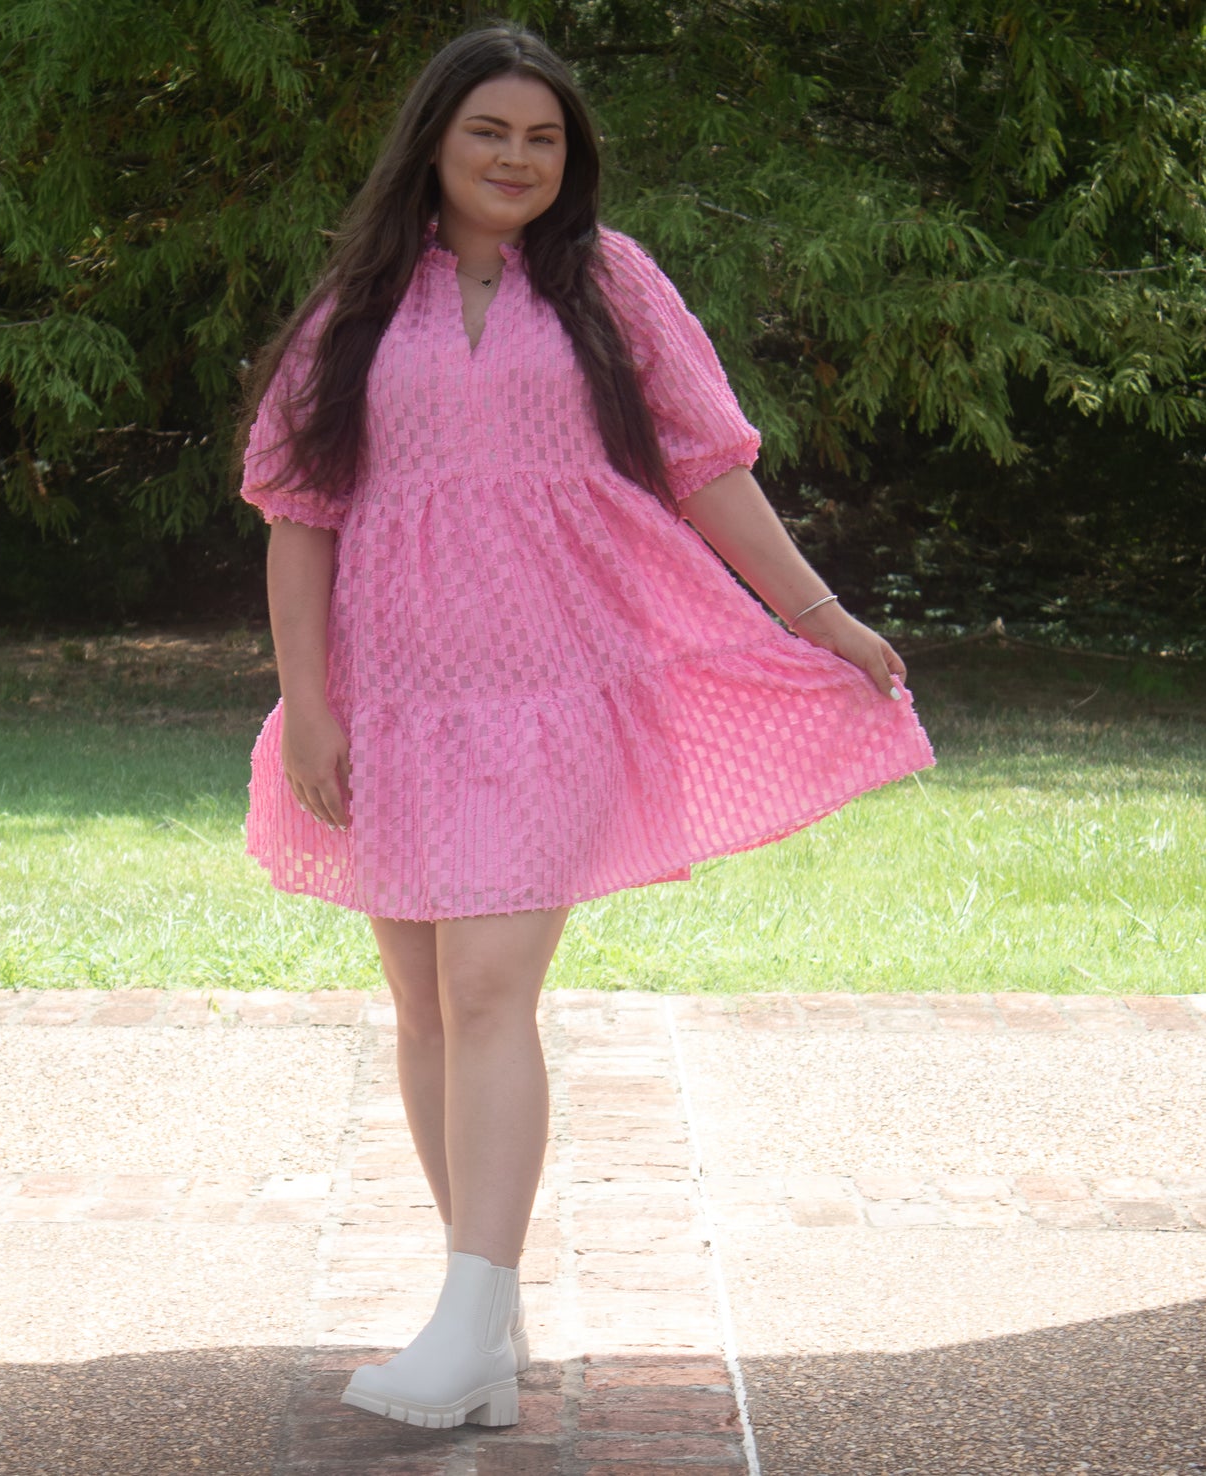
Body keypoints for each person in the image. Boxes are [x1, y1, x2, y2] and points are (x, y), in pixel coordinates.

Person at [236, 21, 934, 1433]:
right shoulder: (357, 309)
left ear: (572, 160)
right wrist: (310, 707)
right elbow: (298, 518)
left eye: (543, 138)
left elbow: (707, 472)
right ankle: (478, 1326)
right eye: (490, 131)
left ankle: (466, 1321)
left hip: (557, 691)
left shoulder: (610, 285)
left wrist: (821, 621)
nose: (516, 158)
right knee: (425, 1005)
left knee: (490, 990)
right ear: (435, 141)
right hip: (395, 705)